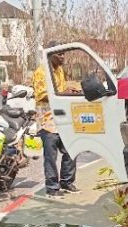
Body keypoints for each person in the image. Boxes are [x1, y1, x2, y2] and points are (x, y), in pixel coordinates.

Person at [32, 41, 80, 198]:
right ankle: (52, 188)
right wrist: (63, 92)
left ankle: (66, 181)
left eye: (64, 54)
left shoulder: (59, 70)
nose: (63, 57)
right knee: (51, 157)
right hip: (47, 120)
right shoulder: (41, 72)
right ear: (50, 54)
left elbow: (61, 90)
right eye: (60, 54)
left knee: (71, 149)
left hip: (60, 117)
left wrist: (69, 91)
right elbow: (40, 95)